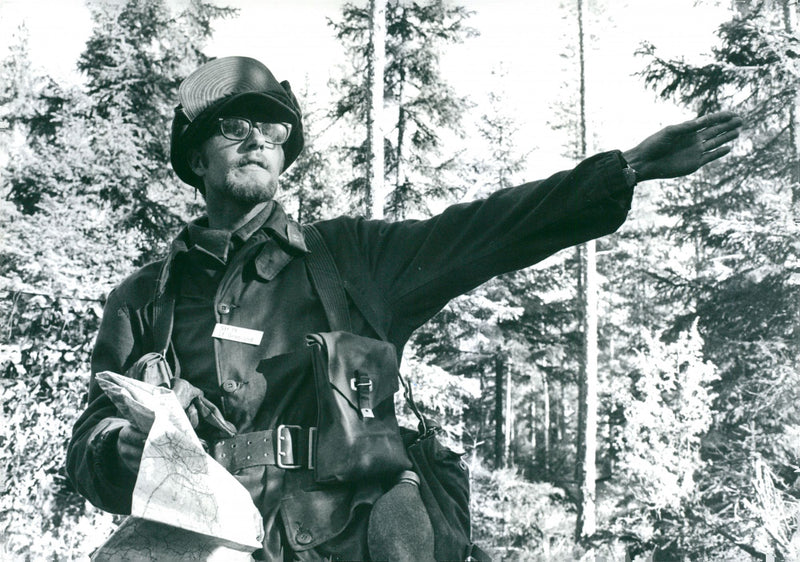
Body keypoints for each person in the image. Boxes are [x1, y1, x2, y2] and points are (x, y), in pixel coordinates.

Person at [66, 56, 742, 561]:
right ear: (195, 155)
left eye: (271, 128)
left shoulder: (349, 257)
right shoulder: (142, 298)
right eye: (233, 125)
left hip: (348, 532)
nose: (256, 139)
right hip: (202, 529)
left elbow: (487, 230)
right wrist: (119, 450)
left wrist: (625, 168)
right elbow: (88, 448)